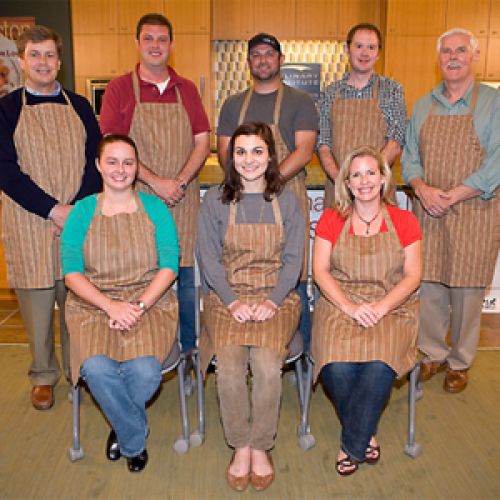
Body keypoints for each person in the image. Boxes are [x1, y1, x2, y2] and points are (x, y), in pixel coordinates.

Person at [61, 134, 179, 473]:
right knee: (96, 369)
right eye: (112, 161)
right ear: (98, 165)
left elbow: (170, 265)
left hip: (150, 303)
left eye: (128, 162)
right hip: (92, 306)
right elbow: (71, 273)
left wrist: (137, 306)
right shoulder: (82, 212)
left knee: (145, 372)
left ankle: (121, 424)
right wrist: (110, 306)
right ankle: (133, 438)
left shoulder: (155, 208)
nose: (120, 169)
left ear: (137, 167)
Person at [197, 122, 304, 492]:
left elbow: (293, 261)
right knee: (228, 368)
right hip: (226, 297)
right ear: (231, 158)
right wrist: (233, 301)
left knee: (266, 366)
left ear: (270, 156)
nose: (249, 160)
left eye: (257, 151)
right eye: (240, 152)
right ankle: (240, 444)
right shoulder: (214, 201)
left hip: (278, 297)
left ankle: (261, 445)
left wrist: (272, 301)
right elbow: (208, 258)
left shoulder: (287, 201)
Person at [0, 25, 102, 410]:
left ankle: (81, 370)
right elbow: (6, 170)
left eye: (49, 55)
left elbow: (95, 161)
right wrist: (53, 209)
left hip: (77, 218)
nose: (43, 62)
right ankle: (43, 375)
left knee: (77, 303)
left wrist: (76, 208)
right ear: (22, 61)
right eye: (35, 55)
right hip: (29, 221)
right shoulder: (7, 110)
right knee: (38, 304)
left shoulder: (80, 107)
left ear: (59, 62)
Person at [99, 13, 210, 356]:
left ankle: (188, 351)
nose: (155, 45)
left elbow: (202, 141)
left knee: (185, 277)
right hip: (138, 198)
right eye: (148, 38)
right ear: (137, 43)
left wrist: (179, 181)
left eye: (162, 39)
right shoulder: (119, 89)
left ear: (172, 45)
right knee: (142, 273)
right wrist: (157, 182)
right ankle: (145, 349)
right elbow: (112, 144)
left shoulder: (187, 89)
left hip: (183, 198)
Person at [312, 145, 422, 475]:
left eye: (371, 173)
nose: (364, 181)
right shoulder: (331, 219)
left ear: (383, 178)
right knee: (336, 367)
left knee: (378, 367)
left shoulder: (404, 220)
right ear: (346, 182)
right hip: (340, 303)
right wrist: (349, 307)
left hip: (392, 305)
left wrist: (381, 306)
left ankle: (352, 444)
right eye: (356, 175)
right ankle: (365, 433)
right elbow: (320, 271)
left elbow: (413, 275)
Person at [402, 28, 500, 393]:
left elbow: (497, 160)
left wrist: (455, 194)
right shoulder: (423, 105)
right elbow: (410, 157)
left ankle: (460, 361)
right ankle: (432, 353)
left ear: (474, 56)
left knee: (468, 289)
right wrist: (421, 188)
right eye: (446, 51)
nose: (453, 57)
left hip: (476, 209)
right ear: (439, 58)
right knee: (429, 283)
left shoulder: (492, 103)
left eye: (460, 50)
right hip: (429, 208)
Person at [217, 32, 318, 351]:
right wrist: (249, 183)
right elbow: (225, 153)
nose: (263, 60)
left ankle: (299, 352)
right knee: (245, 269)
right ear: (248, 62)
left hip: (288, 194)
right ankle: (245, 345)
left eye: (269, 54)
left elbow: (304, 150)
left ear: (281, 59)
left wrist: (268, 182)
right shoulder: (233, 105)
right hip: (241, 196)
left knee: (293, 273)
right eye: (256, 54)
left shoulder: (300, 101)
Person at [317, 23, 407, 209]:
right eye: (359, 46)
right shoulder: (329, 93)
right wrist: (343, 182)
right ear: (347, 50)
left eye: (371, 47)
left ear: (378, 53)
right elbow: (323, 145)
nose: (365, 53)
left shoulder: (392, 90)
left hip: (379, 192)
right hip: (339, 192)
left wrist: (368, 181)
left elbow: (395, 141)